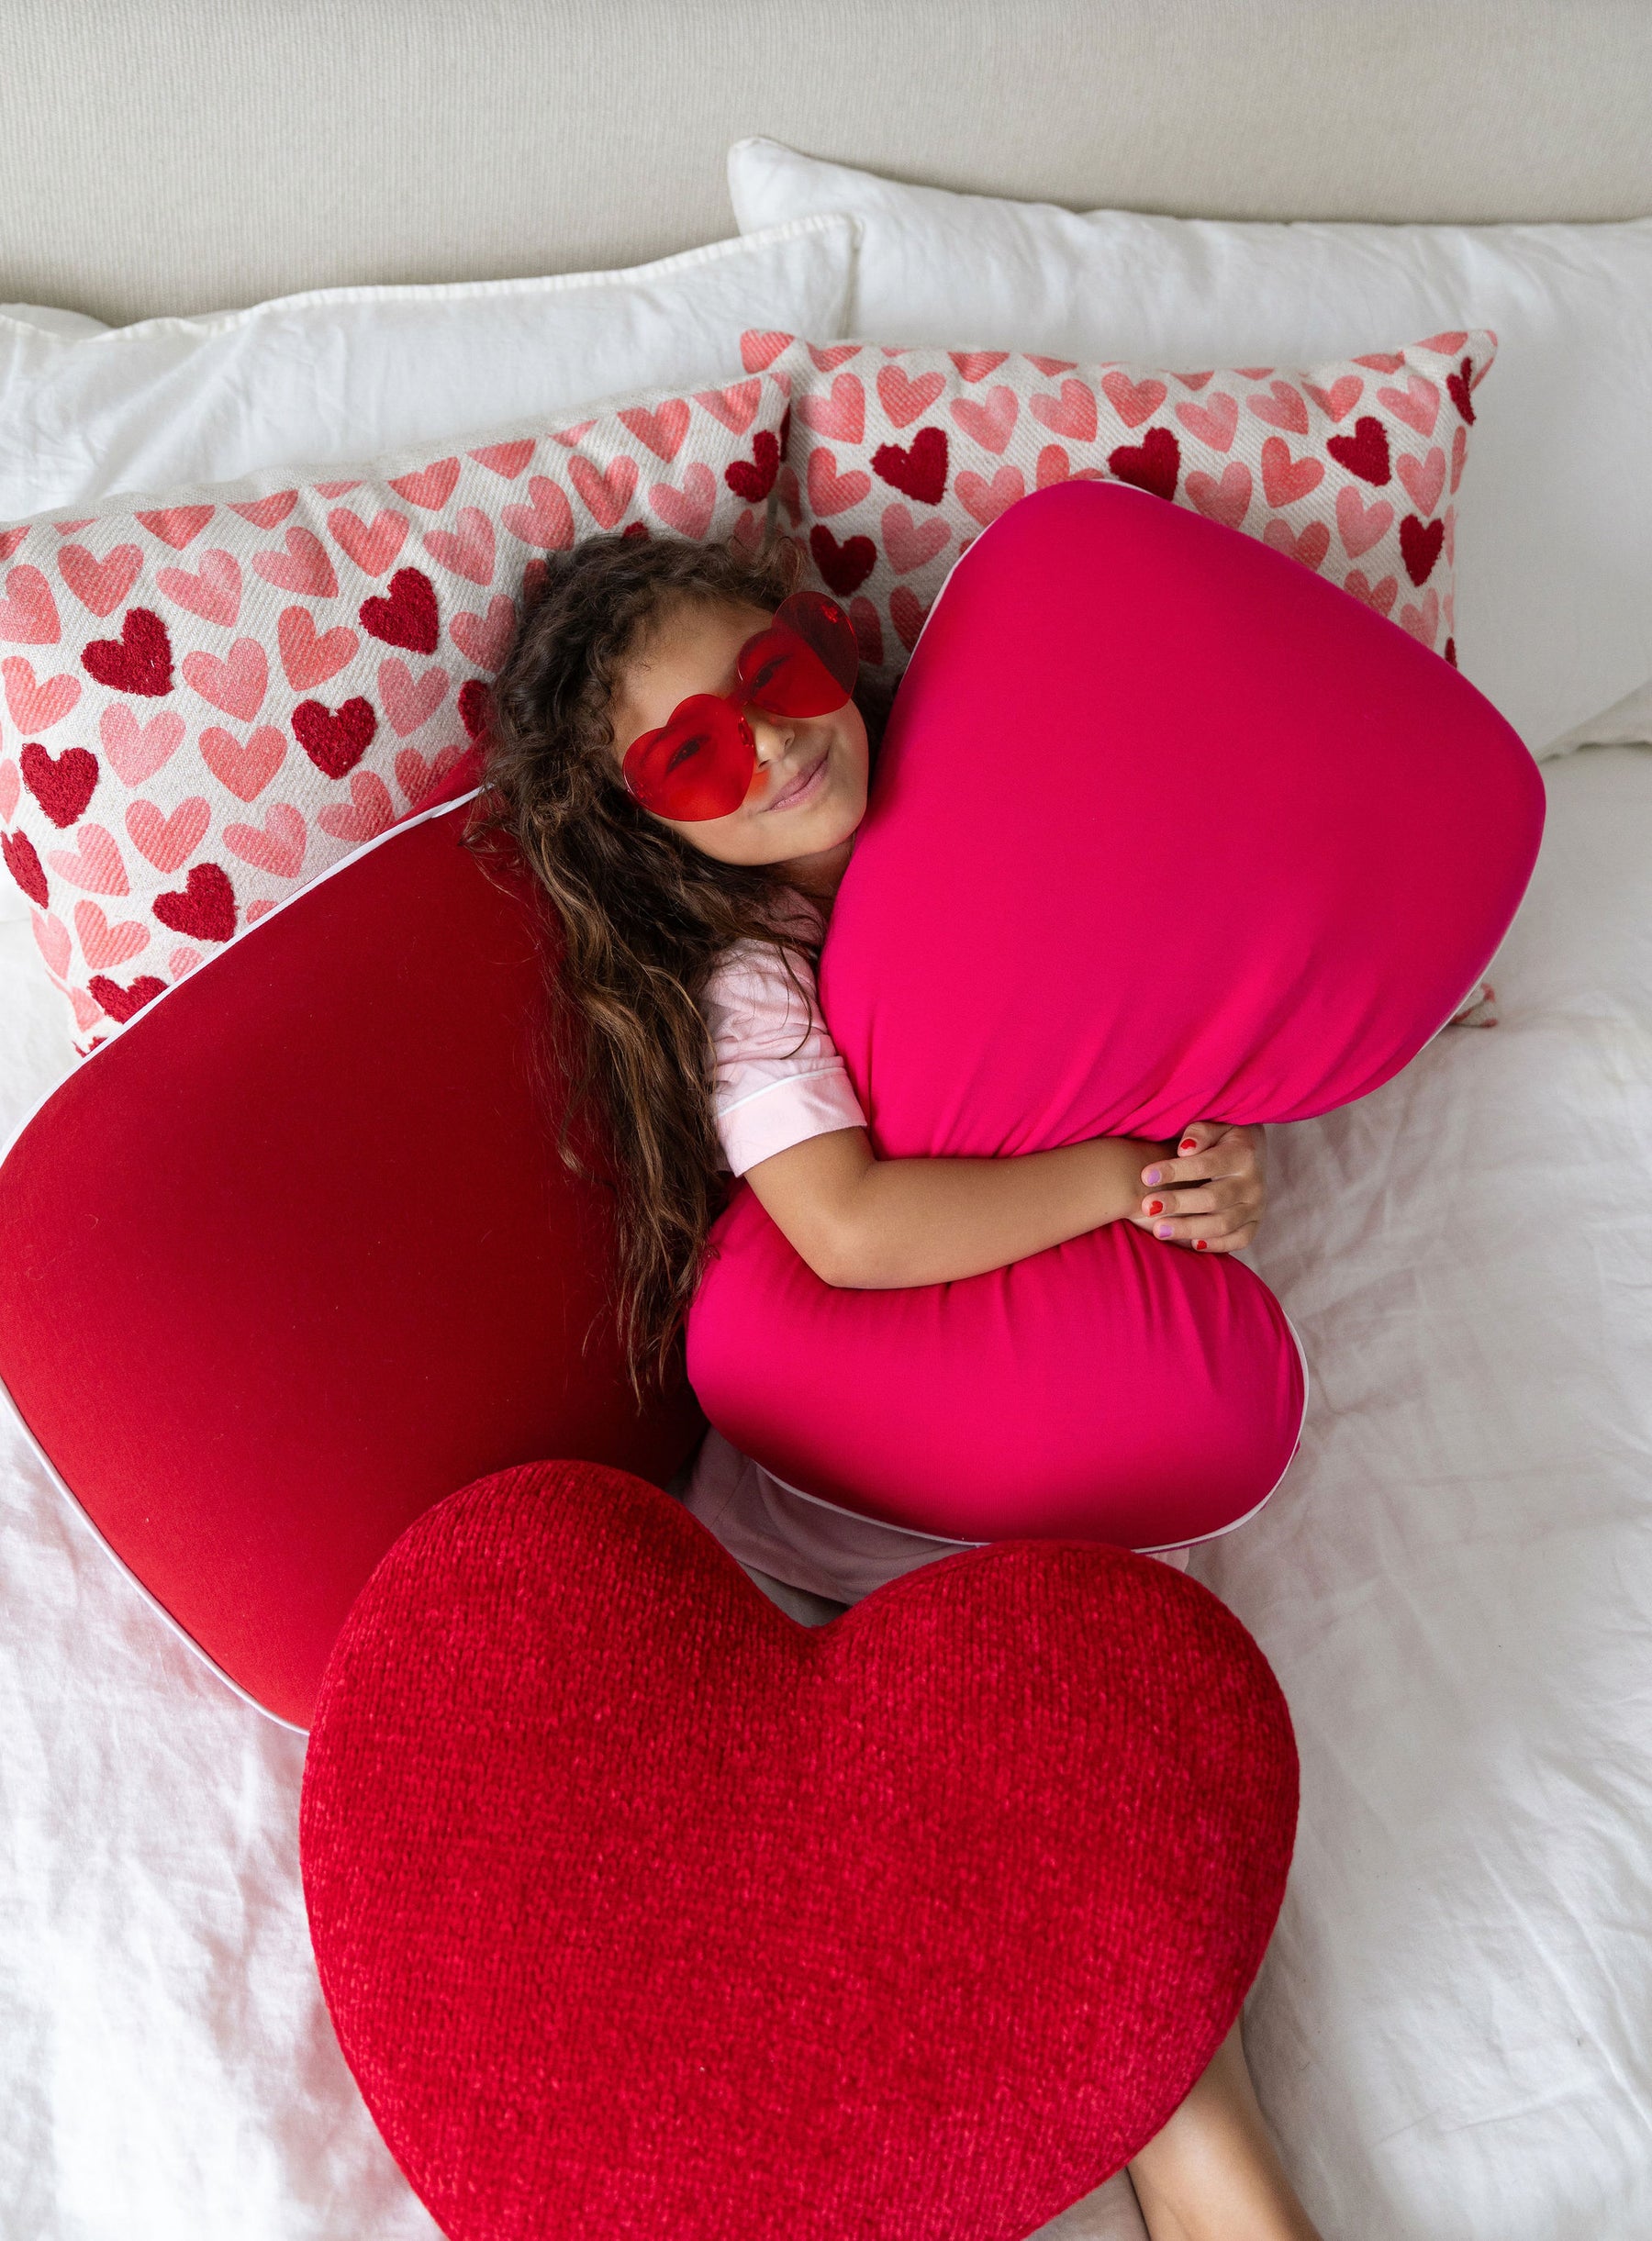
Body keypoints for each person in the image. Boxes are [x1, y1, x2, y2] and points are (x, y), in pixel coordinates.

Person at [473, 526, 1318, 2241]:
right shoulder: (758, 983)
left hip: (1044, 1527)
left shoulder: (1009, 839)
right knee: (873, 1883)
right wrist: (1114, 1175)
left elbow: (1187, 1054)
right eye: (697, 751)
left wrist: (1221, 1180)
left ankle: (1208, 2175)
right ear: (654, 824)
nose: (773, 743)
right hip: (808, 1552)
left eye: (772, 682)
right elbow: (845, 1224)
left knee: (1096, 1860)